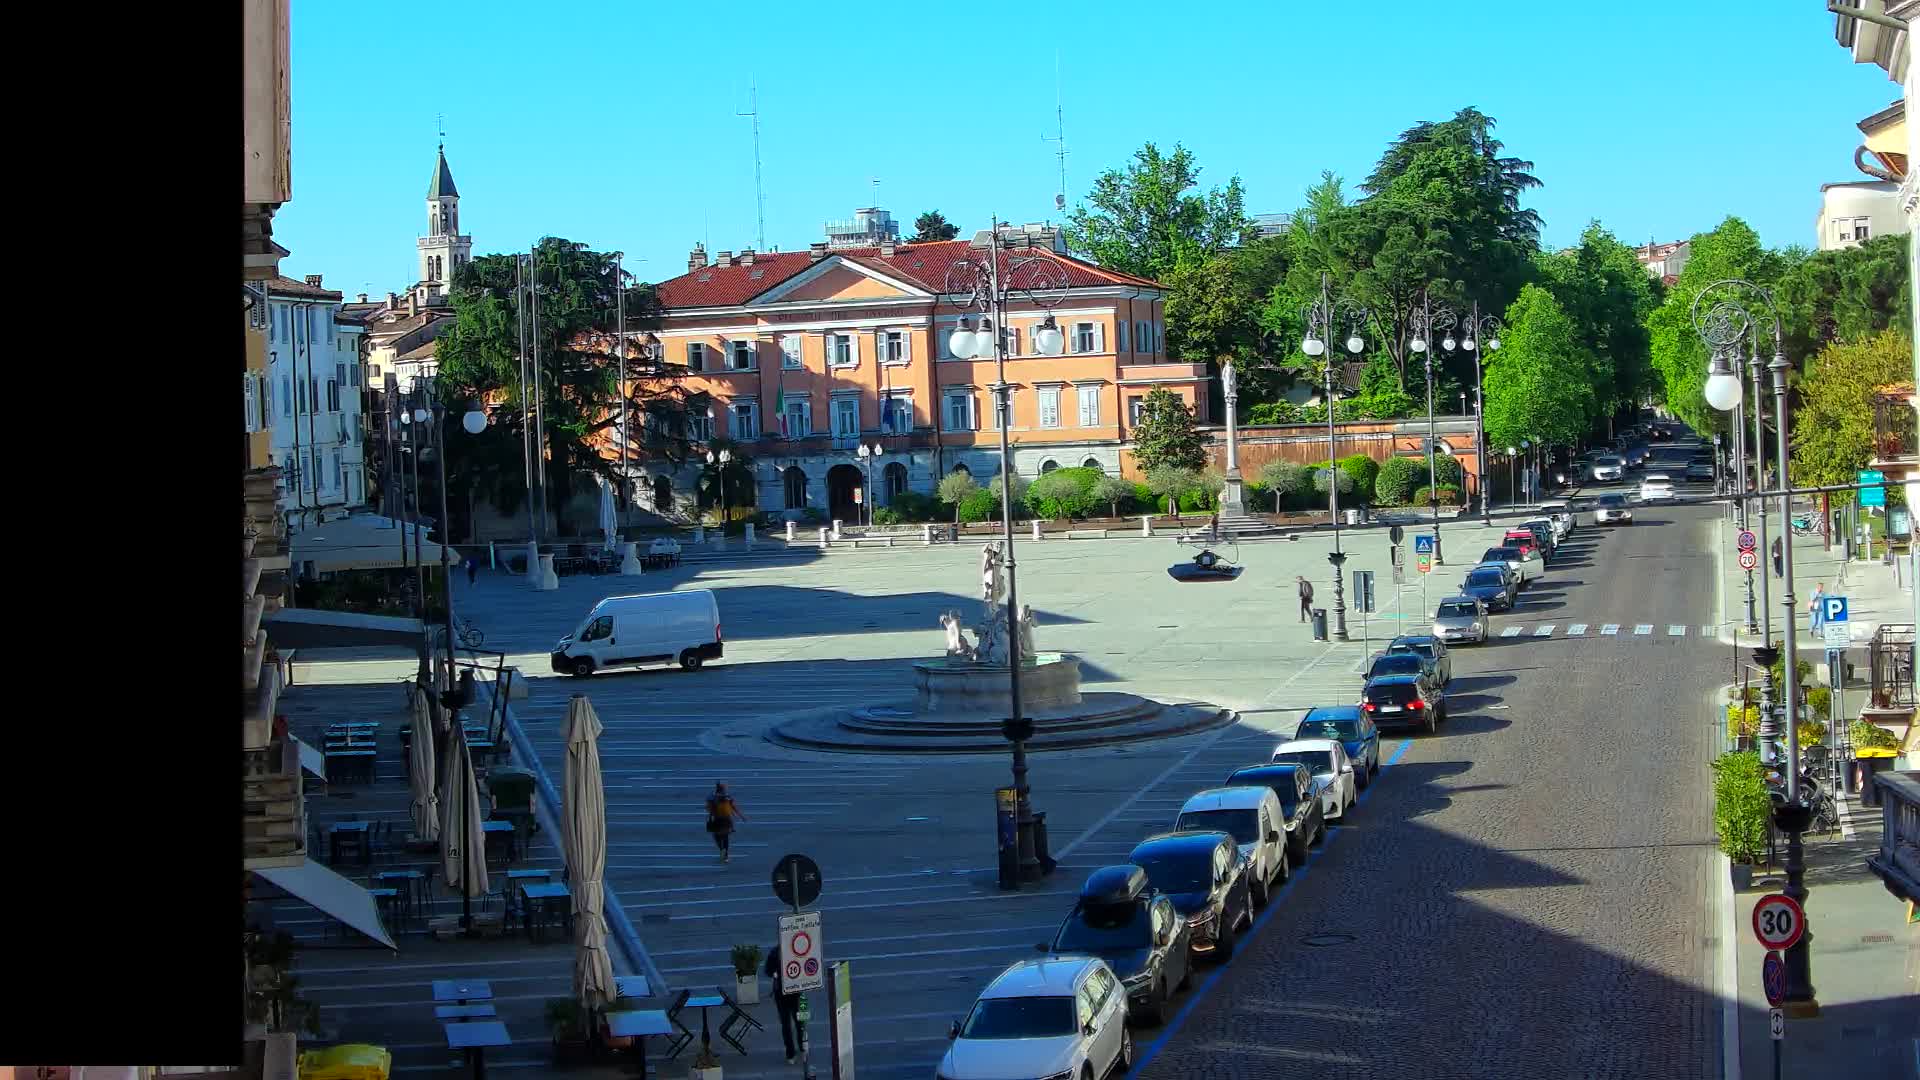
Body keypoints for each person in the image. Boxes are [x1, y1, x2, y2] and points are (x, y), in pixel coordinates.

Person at [765, 942, 804, 1064]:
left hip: (790, 992)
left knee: (795, 1023)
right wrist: (774, 973)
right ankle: (794, 1051)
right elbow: (768, 970)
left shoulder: (777, 952)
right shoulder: (778, 952)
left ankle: (797, 1050)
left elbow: (767, 971)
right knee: (790, 1024)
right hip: (786, 993)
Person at [705, 782, 745, 863]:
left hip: (717, 819)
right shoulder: (728, 796)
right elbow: (733, 807)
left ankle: (721, 849)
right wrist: (741, 816)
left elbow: (708, 808)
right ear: (723, 789)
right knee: (726, 837)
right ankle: (726, 855)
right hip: (727, 819)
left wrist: (710, 816)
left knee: (716, 836)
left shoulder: (712, 797)